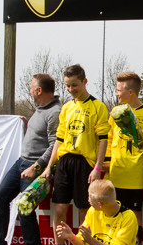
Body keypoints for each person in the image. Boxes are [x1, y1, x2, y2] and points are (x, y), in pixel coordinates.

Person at [0, 73, 61, 245]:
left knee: (25, 206)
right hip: (21, 162)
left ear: (39, 90)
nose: (29, 91)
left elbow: (55, 145)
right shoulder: (40, 109)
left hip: (35, 166)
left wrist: (37, 167)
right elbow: (39, 136)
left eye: (31, 88)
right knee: (0, 197)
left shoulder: (55, 112)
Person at [39, 64, 110, 229]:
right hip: (64, 162)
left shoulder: (98, 107)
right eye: (68, 86)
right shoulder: (66, 107)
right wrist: (49, 166)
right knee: (59, 209)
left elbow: (103, 140)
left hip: (85, 163)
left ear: (85, 81)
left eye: (74, 85)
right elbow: (59, 140)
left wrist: (97, 168)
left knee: (85, 211)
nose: (71, 89)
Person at [106, 71, 143, 223]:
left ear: (130, 92)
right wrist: (107, 161)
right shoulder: (115, 114)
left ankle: (134, 239)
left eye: (118, 90)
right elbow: (109, 139)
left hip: (137, 173)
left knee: (134, 214)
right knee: (115, 213)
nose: (116, 93)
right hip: (116, 172)